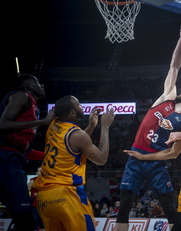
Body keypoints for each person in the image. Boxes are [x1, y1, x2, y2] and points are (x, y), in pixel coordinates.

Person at [115, 25, 181, 231]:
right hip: (136, 155)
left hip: (155, 160)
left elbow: (172, 153)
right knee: (124, 205)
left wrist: (147, 158)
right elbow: (174, 67)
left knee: (169, 205)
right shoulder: (167, 97)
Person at [32, 95, 115, 231]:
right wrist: (105, 127)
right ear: (72, 112)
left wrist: (91, 126)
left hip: (44, 198)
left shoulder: (53, 126)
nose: (82, 106)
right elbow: (101, 159)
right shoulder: (78, 135)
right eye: (79, 105)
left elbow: (74, 144)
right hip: (66, 194)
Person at [0, 74, 56, 231]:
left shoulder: (33, 108)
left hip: (13, 157)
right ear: (29, 86)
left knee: (22, 215)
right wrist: (44, 122)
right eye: (37, 83)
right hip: (6, 159)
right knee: (24, 214)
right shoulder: (21, 96)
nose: (42, 86)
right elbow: (3, 124)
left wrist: (49, 155)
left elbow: (25, 151)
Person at [27, 167, 45, 231]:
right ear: (37, 173)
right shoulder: (32, 180)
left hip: (45, 206)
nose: (41, 172)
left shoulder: (48, 182)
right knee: (35, 224)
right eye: (40, 171)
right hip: (35, 206)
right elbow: (26, 191)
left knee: (43, 226)